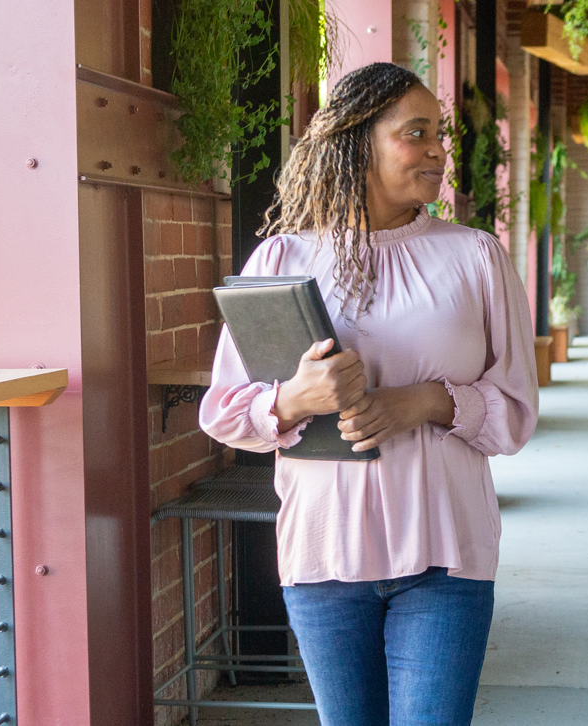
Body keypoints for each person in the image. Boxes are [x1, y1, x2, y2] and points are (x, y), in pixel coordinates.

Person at [200, 62, 538, 726]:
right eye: (416, 133)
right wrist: (294, 398)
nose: (438, 150)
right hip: (324, 557)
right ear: (357, 141)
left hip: (445, 556)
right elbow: (223, 410)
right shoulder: (280, 261)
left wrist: (428, 402)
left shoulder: (475, 257)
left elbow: (516, 416)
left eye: (438, 134)